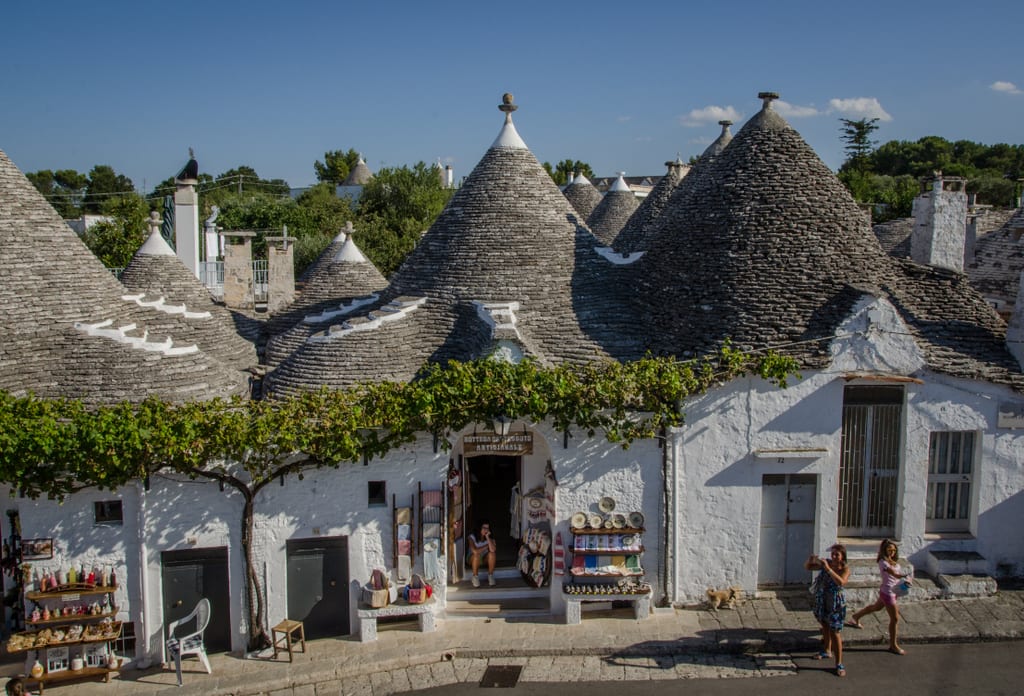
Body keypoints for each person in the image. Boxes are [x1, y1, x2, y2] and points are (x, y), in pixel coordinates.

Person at [846, 538, 911, 654]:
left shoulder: (892, 561)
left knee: (875, 607)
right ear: (884, 550)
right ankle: (893, 645)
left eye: (894, 550)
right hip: (888, 593)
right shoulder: (883, 562)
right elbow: (893, 574)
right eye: (889, 550)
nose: (892, 552)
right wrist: (904, 576)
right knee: (895, 619)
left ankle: (855, 617)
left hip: (893, 591)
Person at [805, 543, 851, 677]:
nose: (834, 556)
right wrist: (811, 560)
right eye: (832, 554)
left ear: (842, 556)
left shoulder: (845, 568)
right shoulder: (828, 563)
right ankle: (826, 649)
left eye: (837, 554)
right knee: (824, 623)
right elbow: (808, 567)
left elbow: (841, 582)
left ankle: (839, 663)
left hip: (835, 602)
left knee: (835, 631)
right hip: (823, 598)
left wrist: (829, 570)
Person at [468, 520, 497, 587]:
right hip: (472, 559)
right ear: (479, 528)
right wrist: (487, 546)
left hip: (483, 559)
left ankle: (490, 576)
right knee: (476, 555)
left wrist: (487, 537)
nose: (485, 530)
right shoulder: (472, 537)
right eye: (484, 528)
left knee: (492, 554)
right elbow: (475, 551)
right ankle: (475, 577)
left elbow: (493, 550)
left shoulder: (490, 538)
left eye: (487, 528)